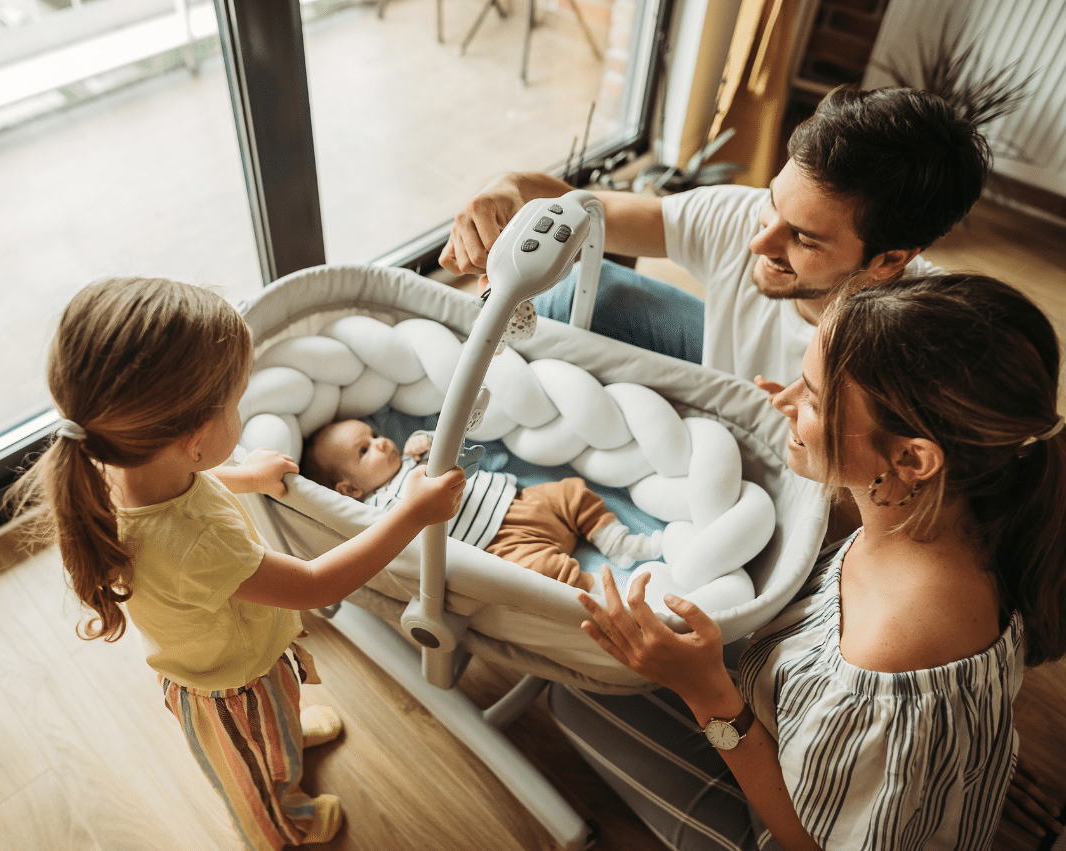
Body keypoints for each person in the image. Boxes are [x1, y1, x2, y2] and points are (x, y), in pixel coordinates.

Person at [568, 273, 1066, 850]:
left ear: (912, 458)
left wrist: (705, 691)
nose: (780, 401)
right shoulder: (980, 513)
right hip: (880, 771)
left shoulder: (884, 657)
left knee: (578, 693)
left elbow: (808, 842)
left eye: (811, 398)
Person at [4, 277, 465, 851]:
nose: (241, 414)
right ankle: (279, 825)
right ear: (194, 441)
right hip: (233, 689)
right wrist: (412, 515)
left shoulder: (122, 465)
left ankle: (285, 741)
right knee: (252, 775)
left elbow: (188, 484)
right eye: (235, 404)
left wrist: (242, 477)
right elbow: (316, 584)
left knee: (279, 730)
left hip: (242, 657)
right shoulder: (198, 546)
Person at [440, 85, 993, 393]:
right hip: (721, 374)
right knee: (567, 291)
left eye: (802, 238)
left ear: (889, 261)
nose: (761, 242)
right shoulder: (743, 218)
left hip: (794, 445)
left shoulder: (923, 348)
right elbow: (588, 212)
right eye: (773, 202)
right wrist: (507, 188)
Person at [303, 419, 662, 591]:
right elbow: (401, 540)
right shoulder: (379, 509)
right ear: (349, 489)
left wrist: (433, 446)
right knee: (541, 574)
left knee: (572, 492)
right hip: (498, 545)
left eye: (376, 435)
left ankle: (618, 543)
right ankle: (599, 592)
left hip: (521, 500)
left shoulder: (417, 460)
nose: (381, 444)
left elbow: (471, 461)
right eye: (364, 451)